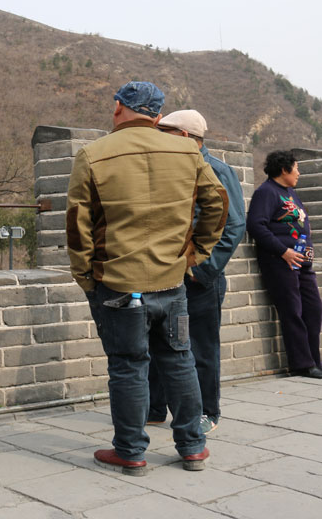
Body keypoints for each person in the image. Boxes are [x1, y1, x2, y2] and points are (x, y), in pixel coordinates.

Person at [66, 81, 227, 476]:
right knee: (179, 360)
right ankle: (192, 447)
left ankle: (131, 451)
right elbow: (217, 204)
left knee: (127, 365)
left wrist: (86, 275)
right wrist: (194, 255)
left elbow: (77, 225)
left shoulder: (93, 155)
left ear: (118, 107)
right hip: (172, 281)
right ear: (157, 115)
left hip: (118, 282)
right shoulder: (188, 150)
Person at [148, 110, 246, 434]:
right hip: (166, 274)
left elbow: (233, 226)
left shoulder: (217, 170)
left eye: (166, 132)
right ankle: (154, 407)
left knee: (201, 348)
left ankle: (208, 412)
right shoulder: (169, 171)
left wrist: (200, 270)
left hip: (200, 278)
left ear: (186, 137)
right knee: (159, 342)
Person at [246, 150, 322, 378]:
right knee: (293, 311)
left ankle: (314, 360)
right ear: (284, 169)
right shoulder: (266, 193)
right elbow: (256, 226)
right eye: (296, 168)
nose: (299, 173)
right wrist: (283, 251)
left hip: (302, 263)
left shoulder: (290, 193)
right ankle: (301, 364)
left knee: (314, 309)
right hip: (280, 263)